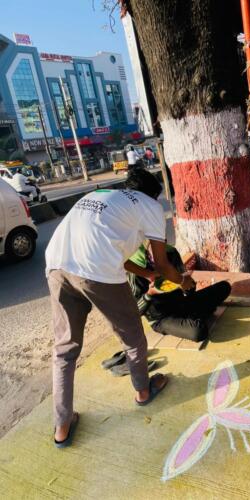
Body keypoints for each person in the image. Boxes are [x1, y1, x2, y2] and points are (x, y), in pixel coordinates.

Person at [45, 169, 195, 447]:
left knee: (65, 350)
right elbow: (162, 264)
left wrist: (145, 274)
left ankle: (62, 425)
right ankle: (143, 392)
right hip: (96, 272)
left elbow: (113, 251)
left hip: (56, 265)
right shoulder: (150, 205)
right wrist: (183, 281)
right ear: (154, 194)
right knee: (132, 337)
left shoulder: (101, 195)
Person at [128, 242, 231, 342]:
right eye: (155, 256)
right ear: (147, 253)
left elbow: (190, 290)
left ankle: (194, 316)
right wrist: (150, 293)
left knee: (224, 287)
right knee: (198, 332)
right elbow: (135, 312)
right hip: (162, 318)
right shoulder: (136, 270)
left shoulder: (171, 253)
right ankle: (197, 315)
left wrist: (187, 284)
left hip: (182, 304)